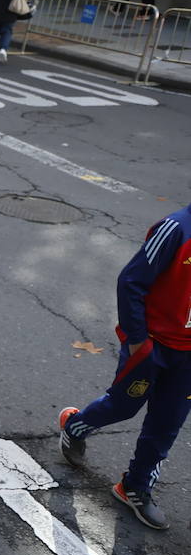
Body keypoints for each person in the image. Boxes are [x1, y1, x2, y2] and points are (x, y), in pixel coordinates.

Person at [58, 203, 191, 530]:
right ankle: (75, 426)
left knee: (167, 422)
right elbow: (131, 281)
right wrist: (137, 341)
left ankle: (135, 486)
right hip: (152, 346)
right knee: (123, 405)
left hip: (188, 355)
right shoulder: (176, 229)